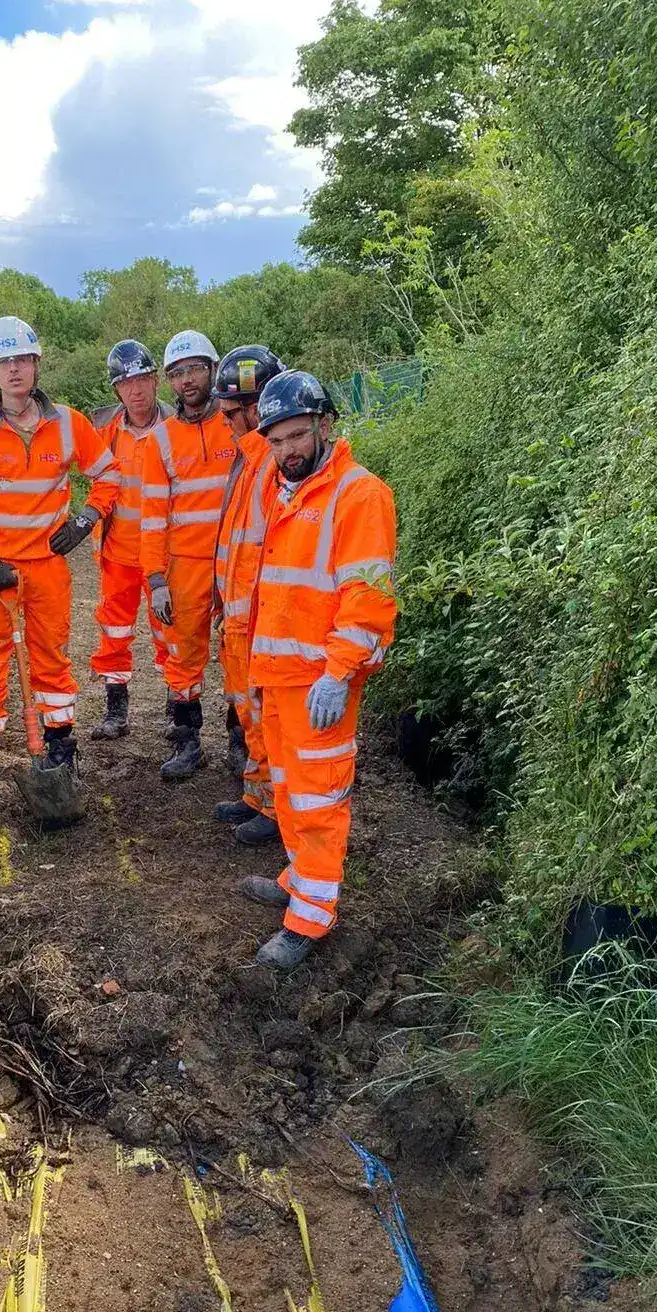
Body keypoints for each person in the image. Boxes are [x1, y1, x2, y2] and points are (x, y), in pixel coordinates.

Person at [241, 370, 397, 971]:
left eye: (297, 438)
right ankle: (299, 877)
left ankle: (310, 917)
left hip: (321, 683)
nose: (286, 452)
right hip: (282, 676)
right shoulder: (292, 492)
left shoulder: (358, 494)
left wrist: (338, 672)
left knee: (317, 800)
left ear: (327, 426)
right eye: (275, 442)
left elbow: (368, 597)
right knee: (289, 792)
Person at [0, 315, 121, 813]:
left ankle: (61, 756)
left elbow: (109, 474)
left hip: (47, 567)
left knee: (52, 663)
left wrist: (87, 519)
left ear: (37, 364)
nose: (15, 369)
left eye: (22, 358)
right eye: (4, 362)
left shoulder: (69, 423)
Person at [140, 330, 237, 779]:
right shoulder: (160, 440)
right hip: (185, 566)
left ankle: (243, 742)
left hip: (239, 560)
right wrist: (156, 580)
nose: (187, 381)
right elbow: (153, 516)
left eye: (195, 368)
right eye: (177, 374)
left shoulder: (238, 424)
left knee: (241, 650)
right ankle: (188, 742)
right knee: (183, 654)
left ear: (213, 370)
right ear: (169, 382)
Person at [211, 344, 285, 847]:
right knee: (248, 712)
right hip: (239, 619)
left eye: (232, 413)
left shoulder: (272, 465)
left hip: (259, 620)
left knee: (267, 718)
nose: (226, 423)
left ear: (257, 408)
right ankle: (258, 797)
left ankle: (278, 809)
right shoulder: (250, 460)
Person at [88, 340, 175, 739]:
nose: (136, 390)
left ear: (156, 381)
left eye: (142, 379)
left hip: (167, 556)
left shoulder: (177, 427)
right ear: (117, 391)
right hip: (119, 553)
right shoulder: (104, 430)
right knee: (114, 630)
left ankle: (179, 710)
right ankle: (116, 709)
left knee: (170, 632)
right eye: (126, 383)